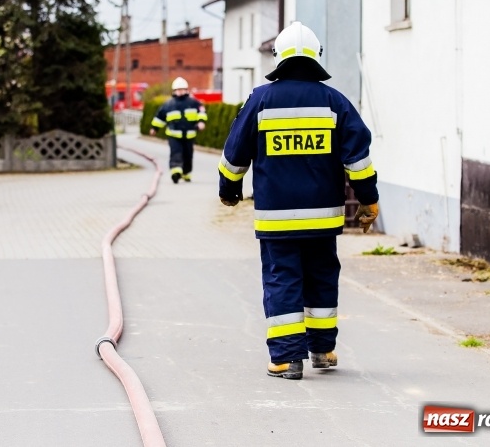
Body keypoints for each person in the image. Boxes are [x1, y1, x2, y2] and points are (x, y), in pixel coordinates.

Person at [217, 22, 379, 380]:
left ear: (279, 58)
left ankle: (287, 358)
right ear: (316, 57)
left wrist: (229, 192)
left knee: (283, 279)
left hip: (277, 220)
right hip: (323, 220)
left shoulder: (260, 99)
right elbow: (359, 159)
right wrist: (370, 201)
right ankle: (323, 350)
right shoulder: (334, 101)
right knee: (322, 277)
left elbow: (234, 154)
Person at [150, 77, 208, 183]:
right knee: (176, 153)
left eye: (182, 89)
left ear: (186, 90)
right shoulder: (168, 105)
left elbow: (202, 113)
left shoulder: (194, 103)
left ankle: (186, 173)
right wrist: (154, 128)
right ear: (174, 91)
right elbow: (160, 117)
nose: (180, 91)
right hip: (174, 135)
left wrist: (201, 123)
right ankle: (176, 172)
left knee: (188, 155)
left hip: (189, 135)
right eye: (178, 89)